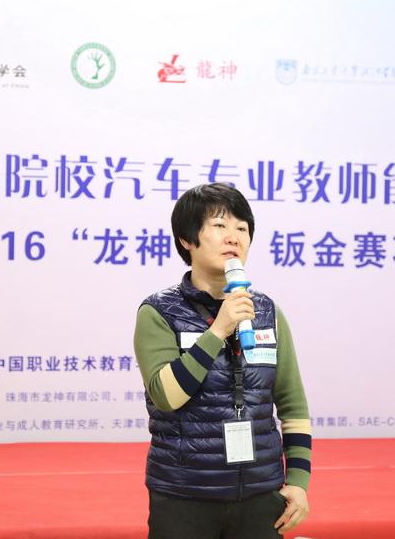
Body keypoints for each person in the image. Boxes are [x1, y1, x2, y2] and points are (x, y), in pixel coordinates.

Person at [133, 183, 311, 538]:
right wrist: (217, 330)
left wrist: (298, 480)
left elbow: (292, 404)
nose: (233, 236)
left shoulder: (266, 312)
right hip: (184, 495)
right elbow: (167, 396)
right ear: (187, 239)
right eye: (219, 225)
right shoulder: (159, 312)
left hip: (261, 492)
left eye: (242, 228)